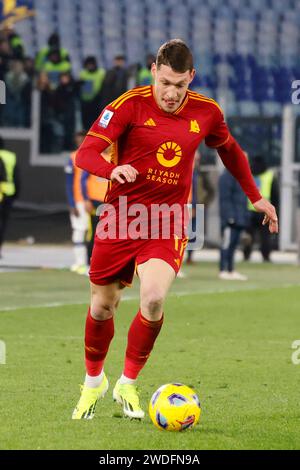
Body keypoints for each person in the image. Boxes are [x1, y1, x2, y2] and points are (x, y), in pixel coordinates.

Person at [72, 39, 278, 420]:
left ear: (191, 78)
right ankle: (93, 381)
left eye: (180, 85)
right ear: (154, 71)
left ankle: (127, 383)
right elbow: (86, 153)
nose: (171, 93)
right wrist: (110, 169)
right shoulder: (127, 105)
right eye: (165, 82)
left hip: (167, 221)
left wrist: (256, 196)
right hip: (120, 217)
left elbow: (230, 150)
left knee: (152, 300)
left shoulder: (207, 112)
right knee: (103, 308)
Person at [243, 155, 279, 262]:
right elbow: (275, 196)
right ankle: (266, 256)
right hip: (265, 210)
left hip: (250, 209)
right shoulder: (270, 175)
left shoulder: (248, 174)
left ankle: (246, 255)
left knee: (249, 235)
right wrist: (274, 210)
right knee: (265, 236)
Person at [218, 163, 249, 281]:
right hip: (230, 219)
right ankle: (223, 269)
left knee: (234, 245)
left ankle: (231, 269)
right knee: (226, 244)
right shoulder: (226, 176)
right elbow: (225, 199)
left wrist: (245, 216)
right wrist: (229, 216)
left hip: (239, 218)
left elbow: (243, 199)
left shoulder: (240, 177)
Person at [65, 131, 89, 274]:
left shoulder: (94, 155)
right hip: (79, 201)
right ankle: (80, 263)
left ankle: (87, 262)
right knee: (79, 231)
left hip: (91, 201)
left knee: (91, 233)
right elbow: (68, 183)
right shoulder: (73, 157)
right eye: (77, 140)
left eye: (82, 139)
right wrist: (72, 203)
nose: (79, 142)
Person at [0, 137, 19, 259]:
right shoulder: (10, 156)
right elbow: (17, 177)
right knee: (3, 224)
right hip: (9, 193)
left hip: (1, 193)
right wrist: (15, 195)